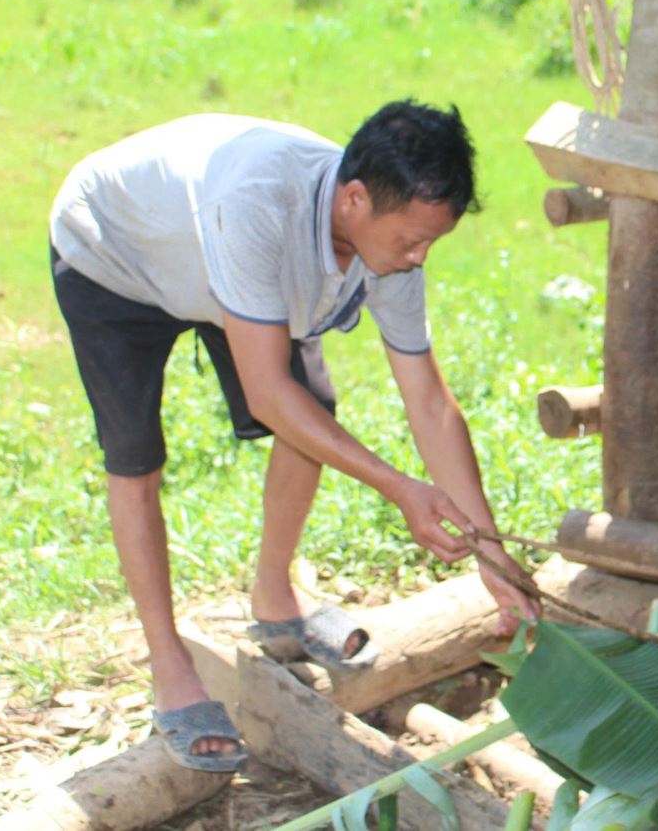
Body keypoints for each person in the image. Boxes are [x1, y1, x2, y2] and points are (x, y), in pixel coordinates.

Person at [48, 101, 538, 771]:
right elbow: (268, 393)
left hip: (218, 260)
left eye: (431, 242)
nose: (420, 257)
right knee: (137, 459)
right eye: (412, 241)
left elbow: (428, 400)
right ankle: (171, 667)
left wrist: (491, 550)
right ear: (356, 200)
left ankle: (276, 599)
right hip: (115, 251)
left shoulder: (390, 246)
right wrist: (401, 488)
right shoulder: (256, 205)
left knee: (316, 409)